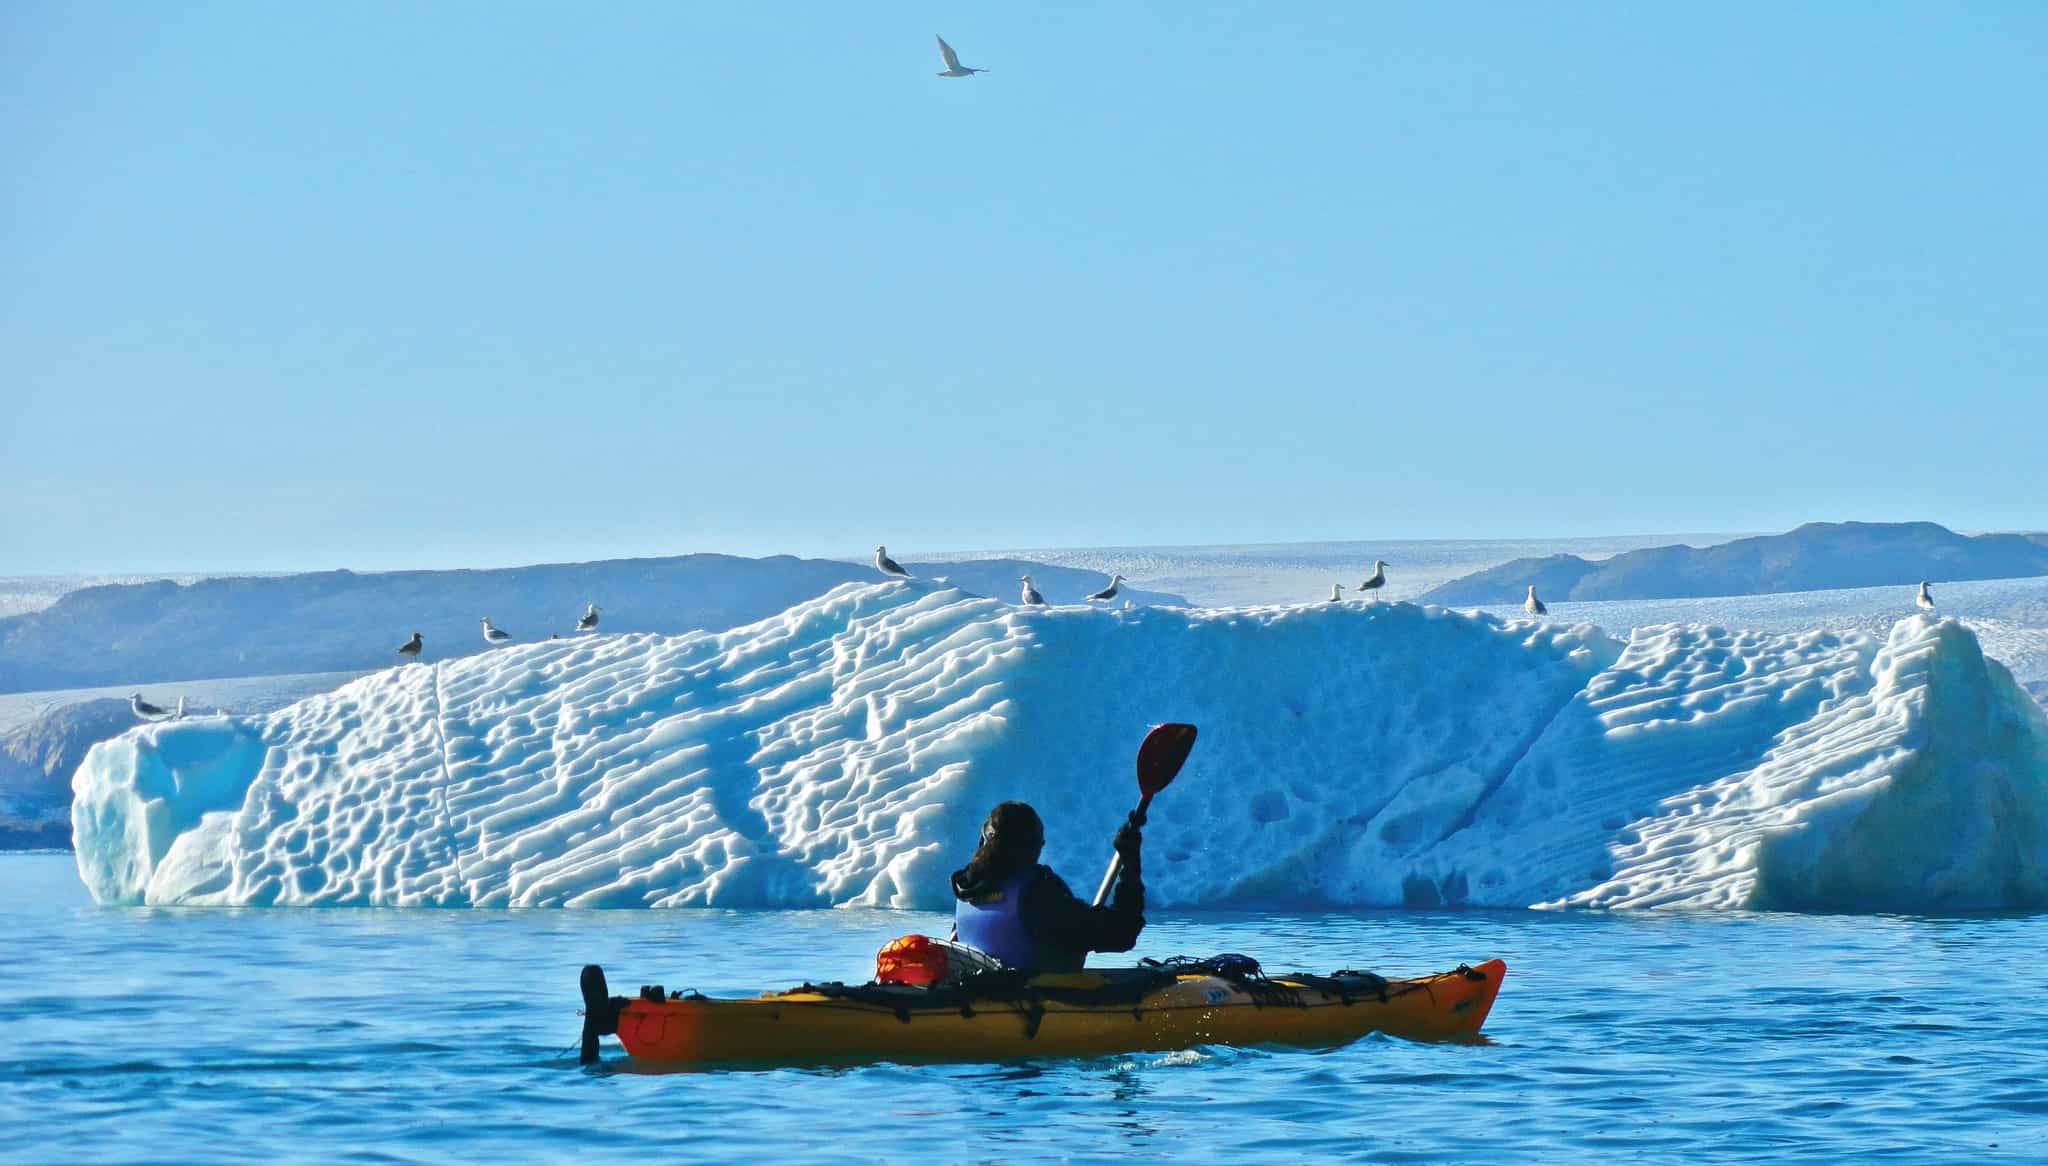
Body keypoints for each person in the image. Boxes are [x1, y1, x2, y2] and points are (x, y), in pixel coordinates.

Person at [950, 800, 1144, 973]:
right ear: (1034, 847)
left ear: (984, 840)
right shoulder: (1038, 893)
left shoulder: (966, 888)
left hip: (978, 994)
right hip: (1036, 997)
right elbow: (1122, 933)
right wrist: (1130, 864)